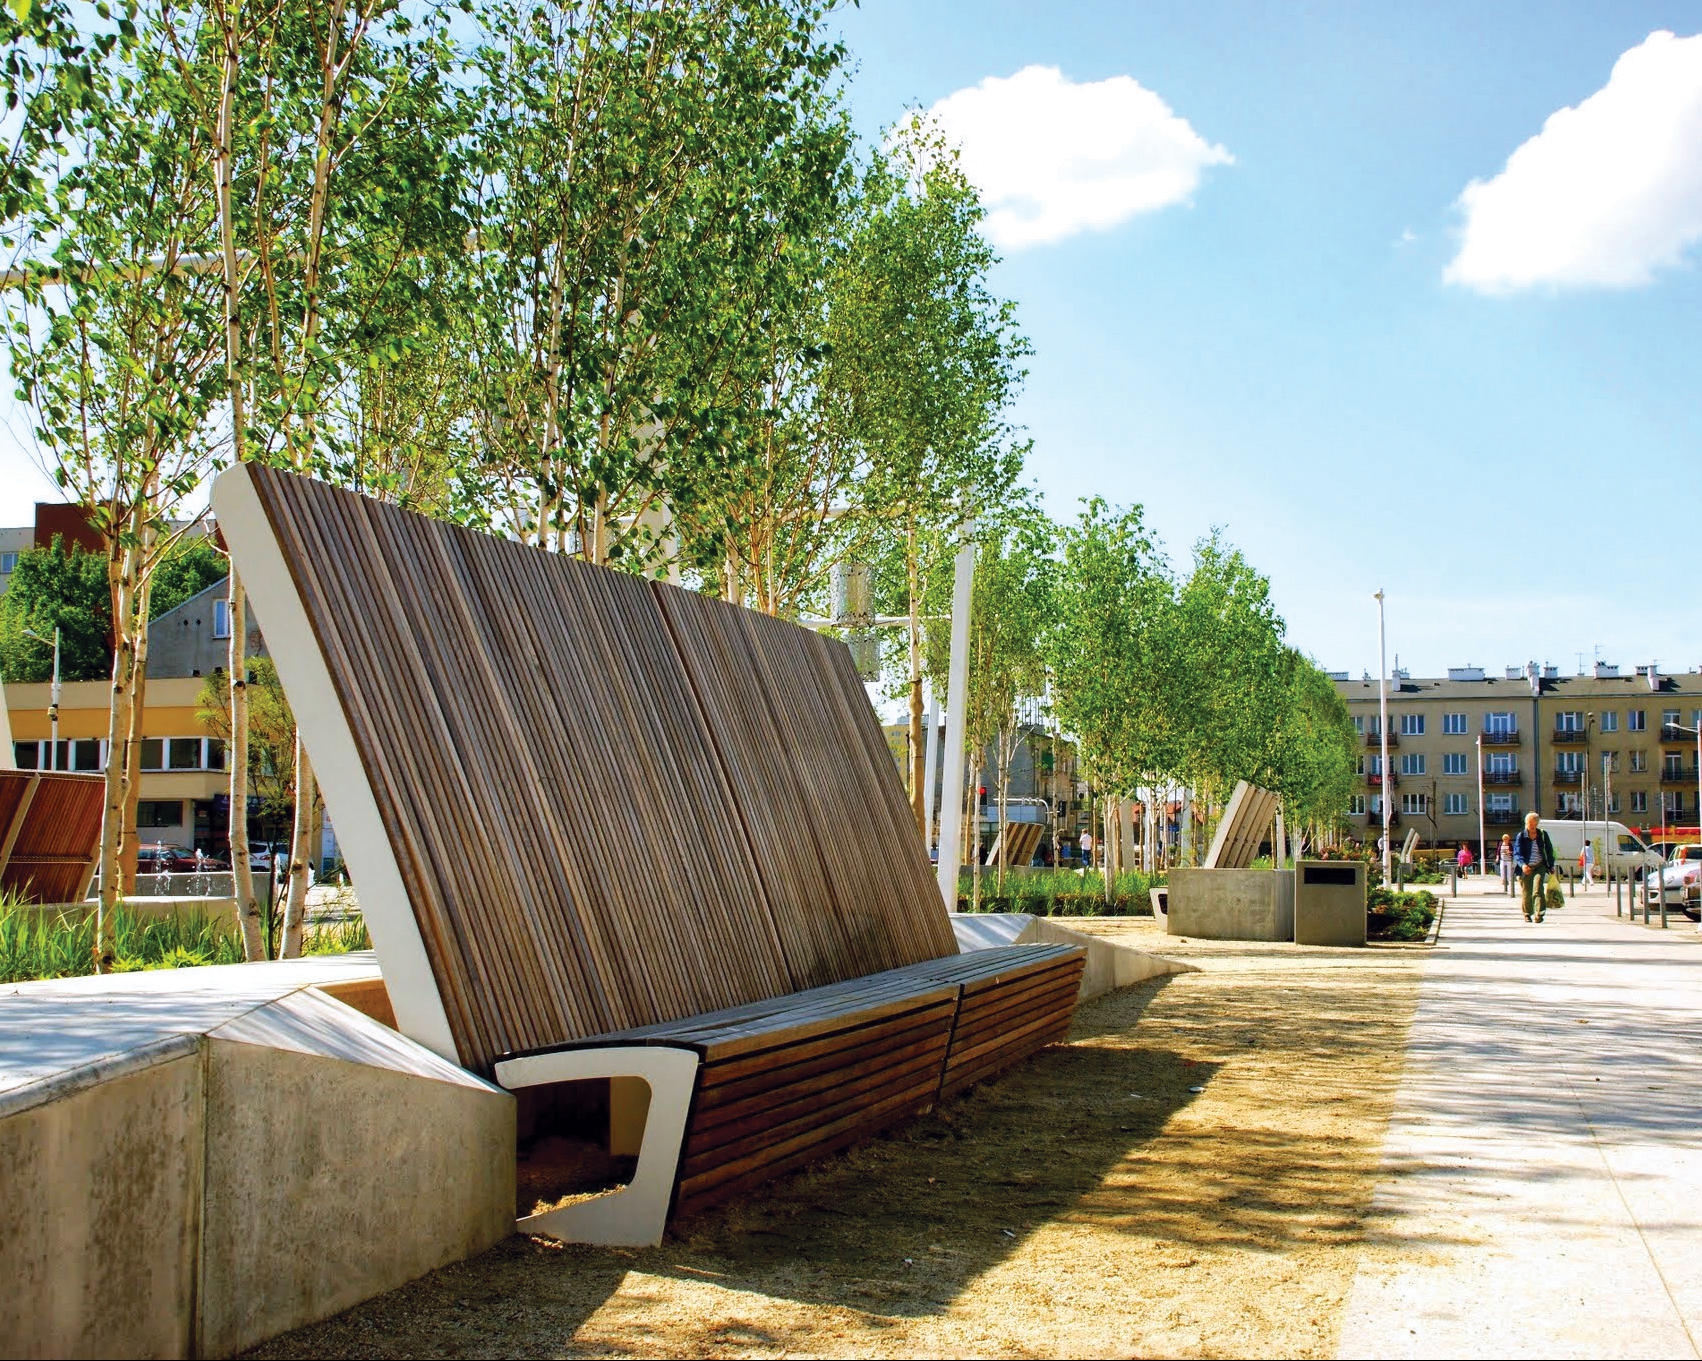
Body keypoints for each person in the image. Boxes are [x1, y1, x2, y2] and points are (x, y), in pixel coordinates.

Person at [1513, 812, 1555, 922]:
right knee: (1526, 891)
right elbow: (1517, 853)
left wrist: (1551, 865)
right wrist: (1523, 865)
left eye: (1533, 823)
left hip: (1539, 866)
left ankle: (1539, 914)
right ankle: (1527, 913)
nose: (1531, 826)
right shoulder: (1521, 836)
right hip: (1526, 867)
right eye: (1529, 823)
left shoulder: (1542, 834)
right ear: (1526, 823)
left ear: (1537, 823)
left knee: (1538, 888)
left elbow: (1549, 851)